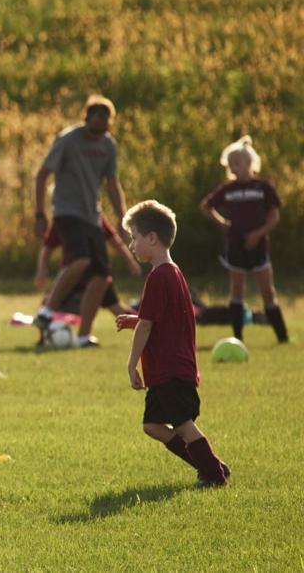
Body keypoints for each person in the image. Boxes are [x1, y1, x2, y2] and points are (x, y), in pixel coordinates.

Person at [116, 201, 229, 488]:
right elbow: (164, 318)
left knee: (182, 424)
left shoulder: (158, 276)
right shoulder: (173, 272)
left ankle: (215, 475)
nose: (131, 245)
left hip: (170, 369)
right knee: (152, 426)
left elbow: (148, 325)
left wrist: (131, 365)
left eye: (134, 238)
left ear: (151, 238)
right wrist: (135, 319)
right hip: (173, 368)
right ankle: (209, 464)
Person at [34, 95, 130, 347]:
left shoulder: (109, 145)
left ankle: (84, 336)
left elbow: (112, 183)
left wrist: (123, 216)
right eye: (97, 121)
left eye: (106, 123)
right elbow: (43, 174)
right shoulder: (68, 139)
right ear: (87, 118)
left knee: (101, 277)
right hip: (66, 211)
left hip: (92, 215)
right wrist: (39, 212)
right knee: (81, 259)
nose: (101, 128)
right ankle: (46, 313)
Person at [199, 136, 288, 343]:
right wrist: (223, 224)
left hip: (259, 246)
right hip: (236, 246)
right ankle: (238, 337)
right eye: (230, 164)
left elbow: (274, 216)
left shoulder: (263, 188)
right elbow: (205, 206)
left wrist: (258, 234)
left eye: (237, 163)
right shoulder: (228, 190)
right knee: (236, 290)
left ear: (250, 163)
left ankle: (282, 338)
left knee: (267, 291)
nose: (233, 168)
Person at [33, 214, 139, 345]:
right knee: (47, 303)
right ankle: (45, 339)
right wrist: (41, 269)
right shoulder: (64, 218)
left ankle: (149, 327)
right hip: (72, 277)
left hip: (98, 275)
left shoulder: (95, 215)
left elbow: (114, 240)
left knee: (119, 311)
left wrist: (130, 262)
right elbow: (47, 246)